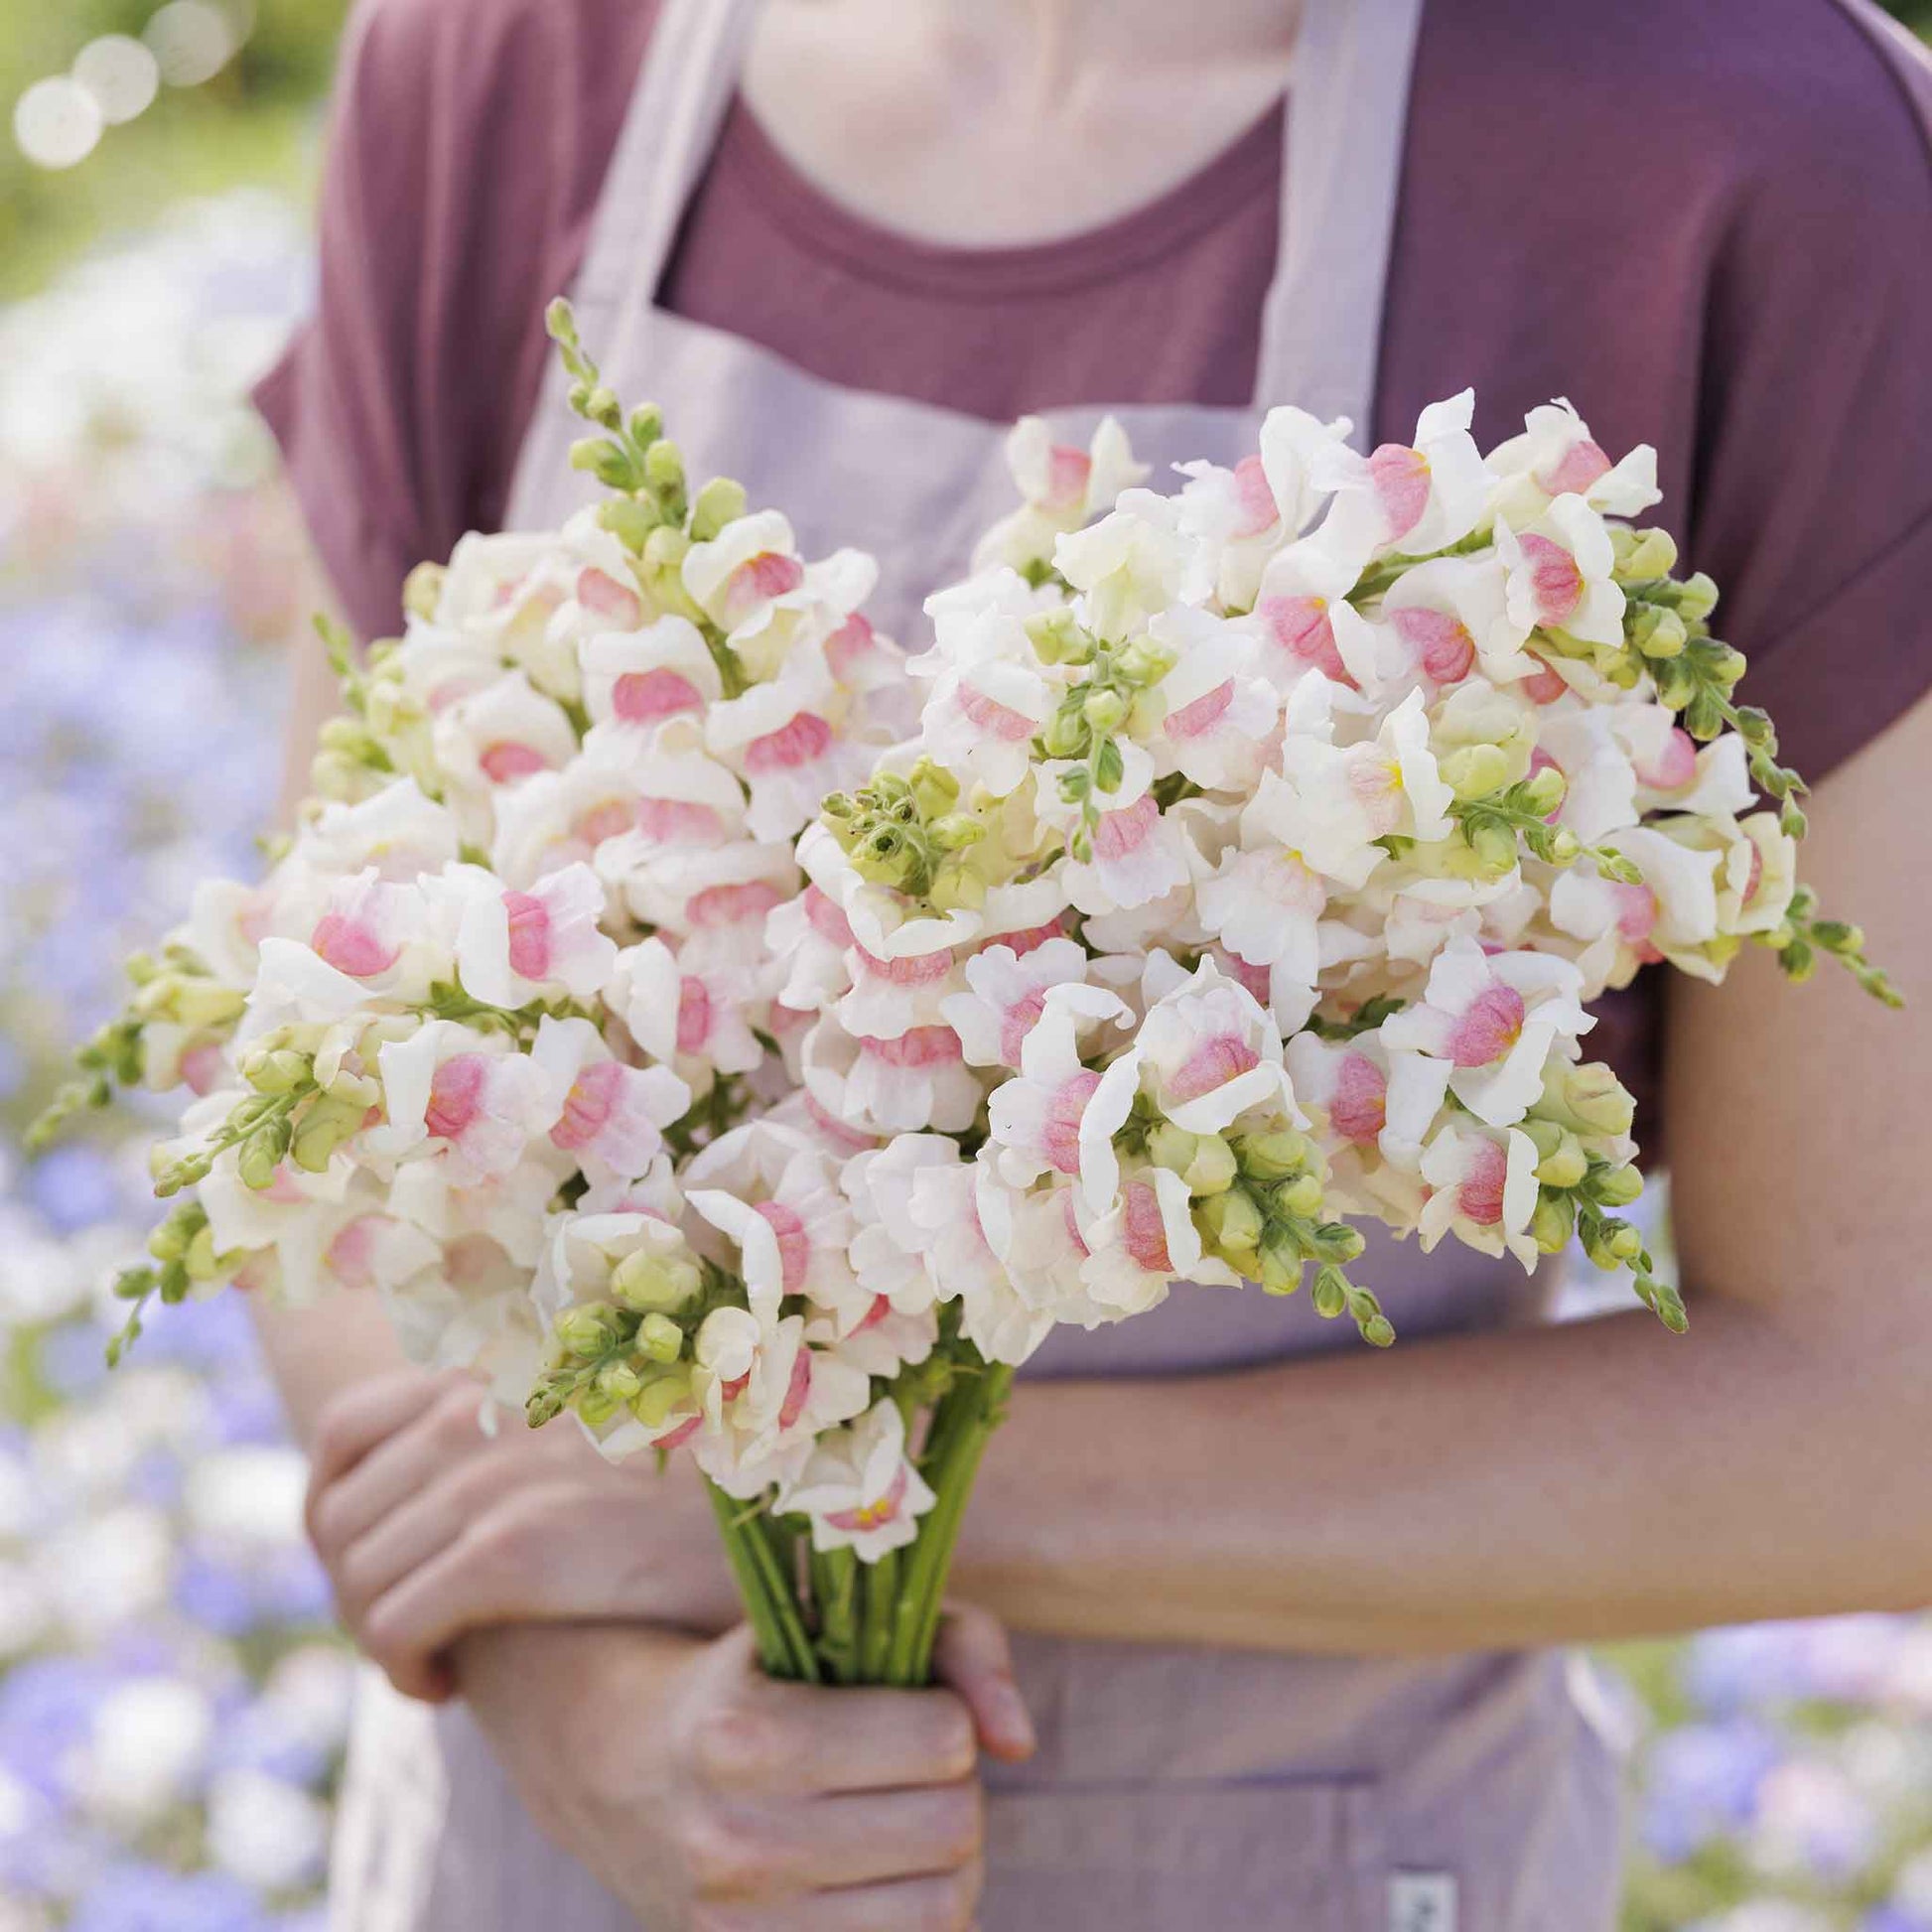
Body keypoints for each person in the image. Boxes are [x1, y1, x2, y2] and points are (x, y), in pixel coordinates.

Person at [252, 0, 1932, 1925]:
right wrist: (580, 1698)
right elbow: (327, 1086)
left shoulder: (1753, 156)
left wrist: (809, 1495)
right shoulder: (509, 55)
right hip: (536, 1847)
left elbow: (1878, 1401)